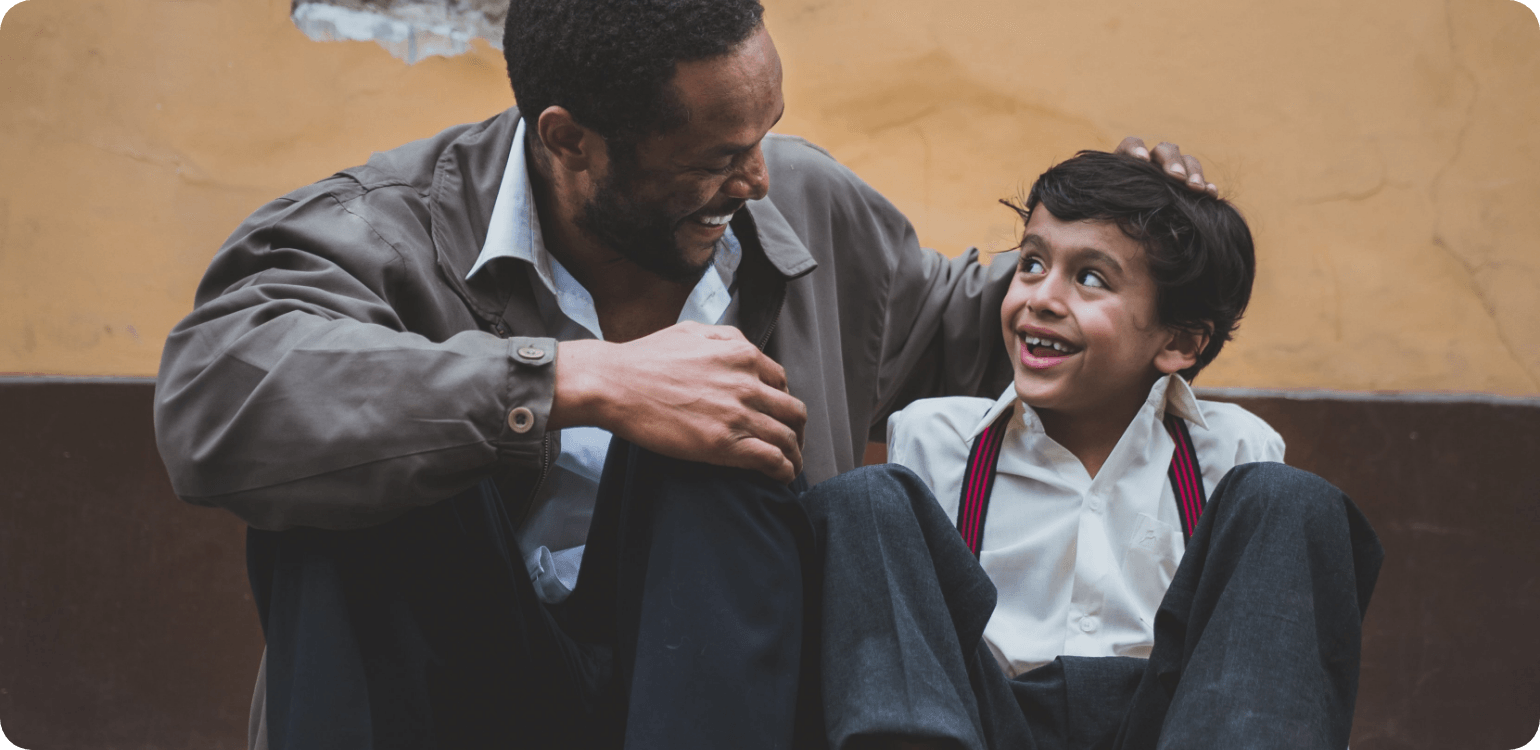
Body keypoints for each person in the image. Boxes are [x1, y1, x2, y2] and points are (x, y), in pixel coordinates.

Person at [152, 0, 1217, 747]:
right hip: (455, 690)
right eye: (715, 157)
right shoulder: (377, 231)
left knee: (727, 425)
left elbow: (965, 328)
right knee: (363, 483)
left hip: (729, 694)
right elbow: (220, 395)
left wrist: (1125, 255)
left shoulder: (798, 203)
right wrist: (578, 380)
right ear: (570, 141)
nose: (754, 179)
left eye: (765, 137)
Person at [801, 151, 1384, 750]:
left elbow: (1243, 651)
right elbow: (919, 646)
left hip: (1171, 729)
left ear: (1180, 341)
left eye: (1090, 278)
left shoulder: (1233, 449)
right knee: (864, 498)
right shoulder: (939, 437)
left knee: (1290, 498)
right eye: (1031, 263)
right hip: (980, 726)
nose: (1041, 297)